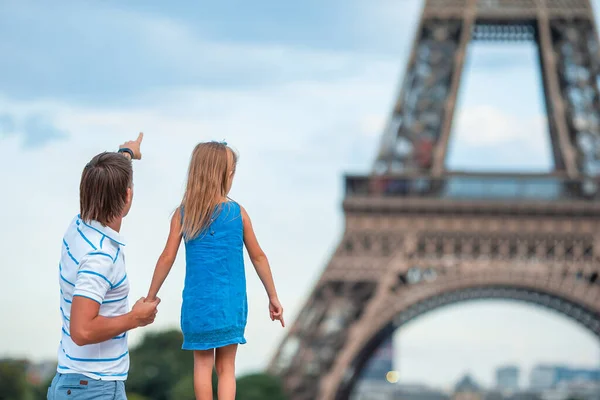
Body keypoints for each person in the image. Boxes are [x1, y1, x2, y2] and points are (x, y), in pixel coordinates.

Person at [146, 141, 285, 400]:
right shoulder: (237, 213)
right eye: (232, 172)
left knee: (201, 366)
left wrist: (151, 295)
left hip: (197, 303)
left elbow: (167, 257)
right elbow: (259, 256)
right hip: (230, 303)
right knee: (226, 368)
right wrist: (273, 296)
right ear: (224, 175)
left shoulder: (183, 214)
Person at [47, 133, 161, 400]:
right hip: (95, 388)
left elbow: (106, 178)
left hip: (73, 382)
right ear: (128, 196)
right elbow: (82, 330)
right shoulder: (100, 256)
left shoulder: (77, 227)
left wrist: (127, 153)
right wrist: (136, 318)